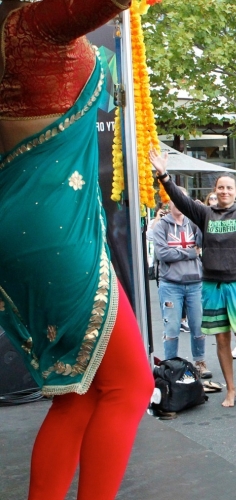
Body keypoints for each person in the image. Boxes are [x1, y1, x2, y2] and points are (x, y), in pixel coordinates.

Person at [0, 1, 155, 498]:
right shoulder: (33, 27)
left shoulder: (19, 29)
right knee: (130, 387)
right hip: (52, 229)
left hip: (33, 221)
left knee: (79, 394)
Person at [151, 147, 236, 408]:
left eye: (229, 188)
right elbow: (180, 199)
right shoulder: (204, 214)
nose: (224, 191)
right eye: (220, 188)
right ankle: (231, 389)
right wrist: (164, 175)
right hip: (212, 285)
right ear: (215, 191)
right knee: (222, 338)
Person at [152, 188, 210, 378]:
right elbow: (163, 254)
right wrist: (190, 253)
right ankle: (171, 367)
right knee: (172, 328)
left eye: (183, 199)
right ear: (169, 201)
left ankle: (200, 361)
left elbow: (205, 242)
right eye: (175, 199)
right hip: (171, 284)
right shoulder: (161, 226)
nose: (178, 203)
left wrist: (201, 217)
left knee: (198, 326)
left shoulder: (193, 224)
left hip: (195, 283)